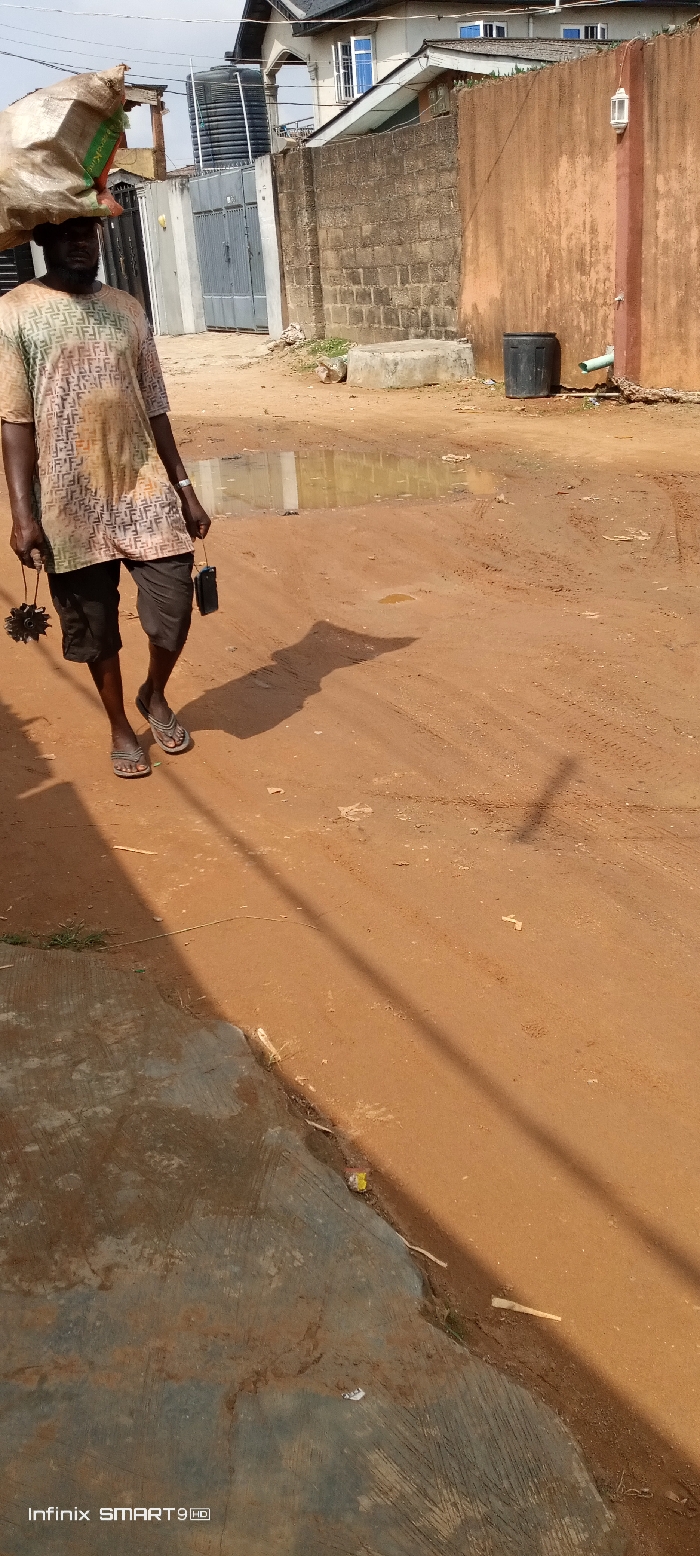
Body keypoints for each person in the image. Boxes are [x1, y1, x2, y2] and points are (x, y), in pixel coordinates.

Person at [0, 215, 211, 778]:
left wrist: (185, 489)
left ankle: (154, 694)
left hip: (142, 486)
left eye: (88, 232)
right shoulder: (14, 311)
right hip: (67, 499)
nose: (80, 243)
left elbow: (156, 405)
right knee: (95, 627)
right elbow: (15, 420)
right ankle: (120, 726)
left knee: (173, 609)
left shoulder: (127, 308)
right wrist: (23, 515)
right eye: (67, 233)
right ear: (42, 239)